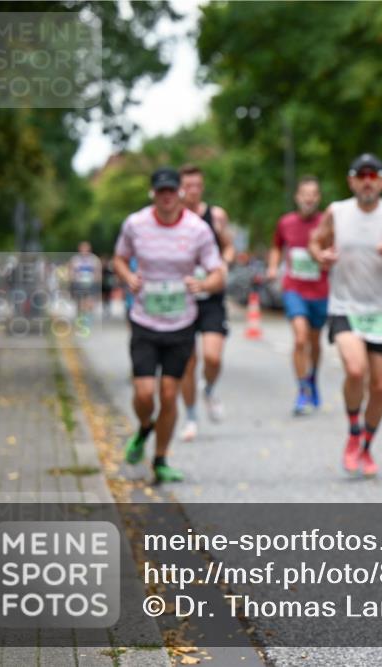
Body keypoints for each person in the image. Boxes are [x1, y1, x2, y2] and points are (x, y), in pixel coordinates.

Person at [309, 154, 382, 477]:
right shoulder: (337, 212)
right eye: (361, 175)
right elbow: (315, 243)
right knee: (356, 370)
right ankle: (352, 432)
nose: (367, 181)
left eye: (374, 175)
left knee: (380, 386)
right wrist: (323, 255)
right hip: (345, 306)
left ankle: (367, 445)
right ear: (351, 181)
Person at [113, 167, 225, 483]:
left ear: (178, 193)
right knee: (145, 393)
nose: (165, 197)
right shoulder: (135, 224)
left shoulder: (197, 229)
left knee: (169, 393)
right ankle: (145, 426)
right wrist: (127, 276)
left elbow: (217, 271)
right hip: (145, 320)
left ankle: (160, 458)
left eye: (170, 191)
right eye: (159, 191)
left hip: (181, 322)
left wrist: (204, 285)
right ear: (153, 194)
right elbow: (119, 258)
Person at [177, 164, 235, 441]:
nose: (193, 191)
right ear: (179, 188)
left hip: (211, 295)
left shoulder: (215, 215)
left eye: (197, 185)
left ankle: (209, 389)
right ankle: (190, 417)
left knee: (212, 356)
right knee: (188, 361)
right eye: (188, 186)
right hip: (183, 297)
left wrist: (224, 263)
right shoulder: (172, 216)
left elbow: (228, 245)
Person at [267, 176, 329, 415]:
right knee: (300, 338)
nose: (309, 198)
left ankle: (313, 378)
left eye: (314, 194)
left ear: (318, 198)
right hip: (294, 288)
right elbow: (276, 246)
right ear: (297, 197)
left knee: (314, 342)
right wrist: (273, 266)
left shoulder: (326, 222)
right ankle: (303, 389)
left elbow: (337, 248)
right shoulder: (285, 223)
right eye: (305, 194)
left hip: (320, 291)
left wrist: (328, 256)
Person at [70, 241, 100, 326]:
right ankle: (80, 319)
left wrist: (96, 284)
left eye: (86, 248)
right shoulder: (75, 259)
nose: (84, 250)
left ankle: (87, 320)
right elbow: (72, 272)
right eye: (82, 248)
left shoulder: (94, 259)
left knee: (89, 303)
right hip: (79, 284)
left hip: (90, 284)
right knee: (80, 304)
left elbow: (97, 273)